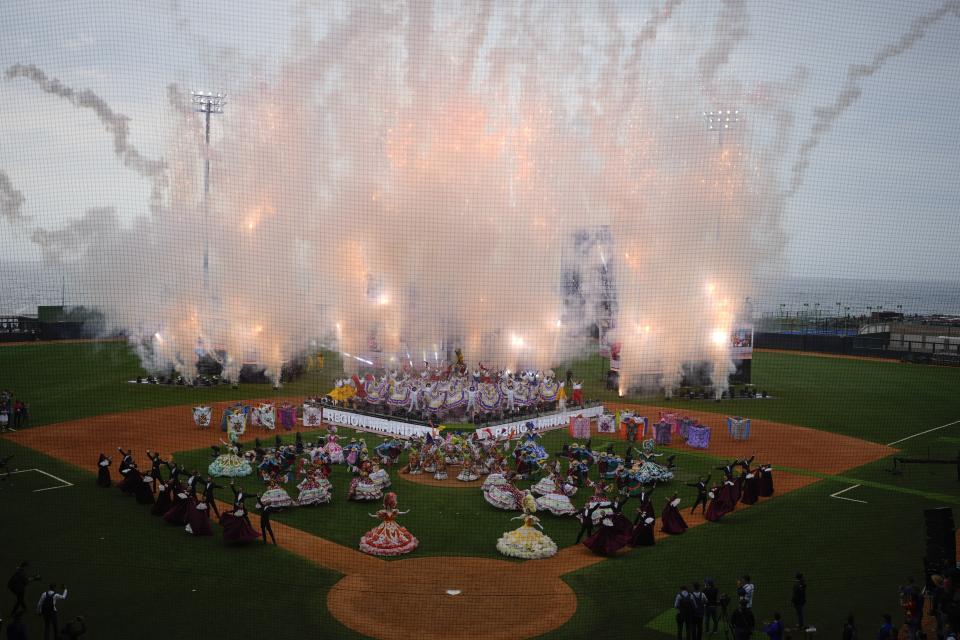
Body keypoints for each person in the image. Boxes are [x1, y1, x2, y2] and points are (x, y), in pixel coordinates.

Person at [359, 492, 419, 556]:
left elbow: (399, 513)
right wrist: (372, 515)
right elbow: (378, 516)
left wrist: (405, 512)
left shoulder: (393, 511)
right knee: (382, 535)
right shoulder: (383, 512)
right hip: (385, 526)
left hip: (393, 525)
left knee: (397, 534)